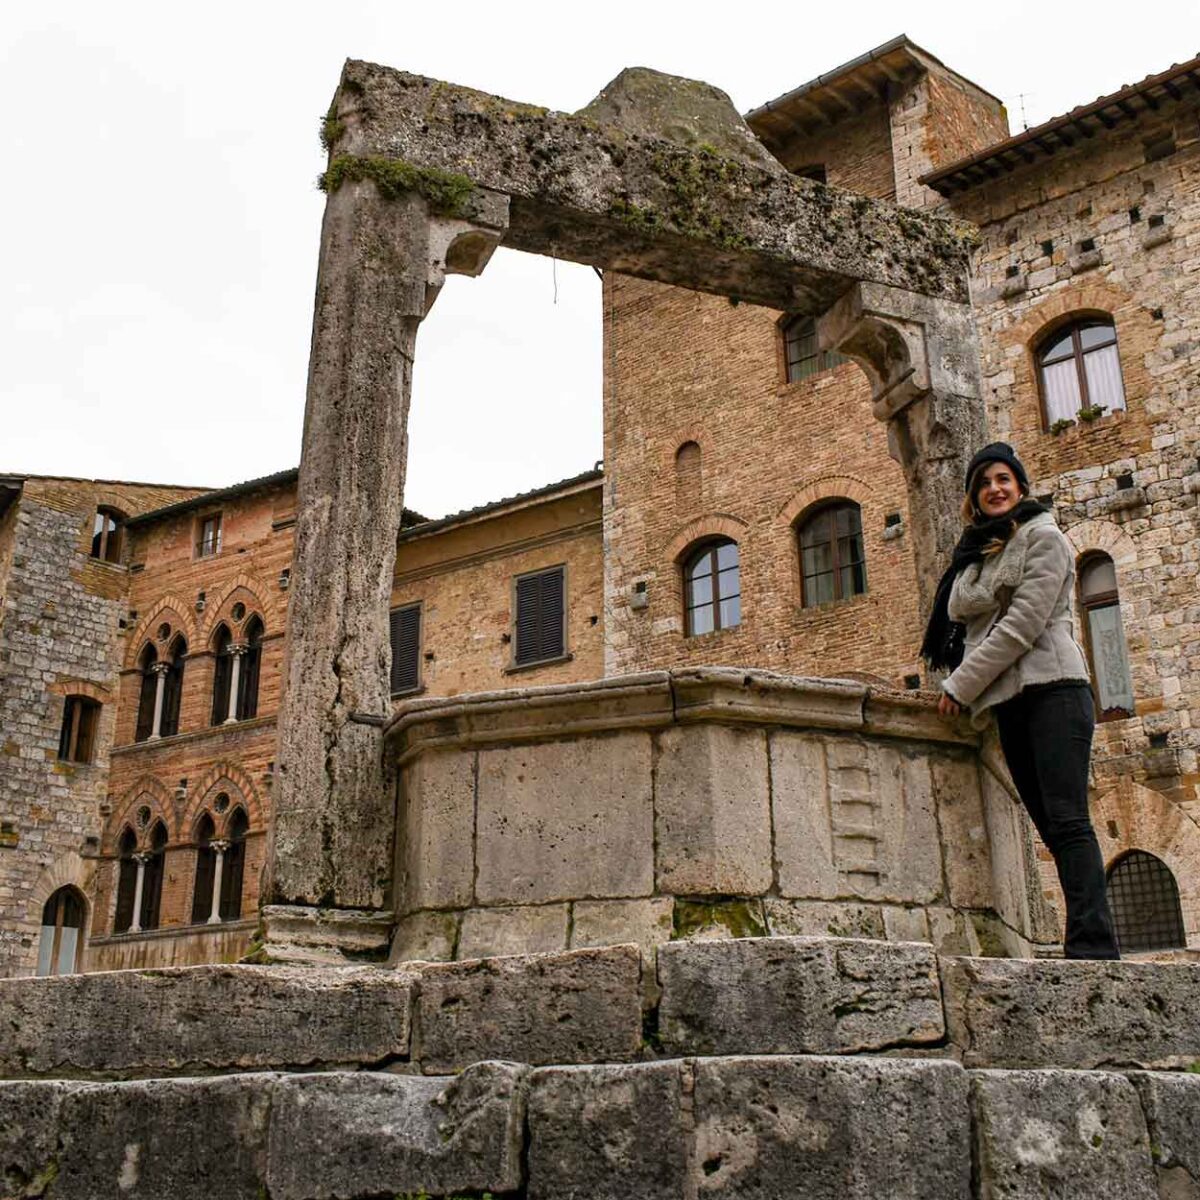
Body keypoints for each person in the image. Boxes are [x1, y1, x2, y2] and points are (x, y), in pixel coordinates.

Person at [921, 442, 1119, 959]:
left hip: (1055, 689)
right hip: (1009, 700)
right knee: (1050, 828)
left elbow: (1022, 625)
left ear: (1021, 487)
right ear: (974, 498)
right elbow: (972, 628)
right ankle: (1084, 939)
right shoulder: (977, 555)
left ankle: (1094, 948)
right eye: (984, 483)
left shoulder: (1044, 537)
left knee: (1069, 820)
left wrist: (961, 685)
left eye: (1004, 479)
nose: (995, 489)